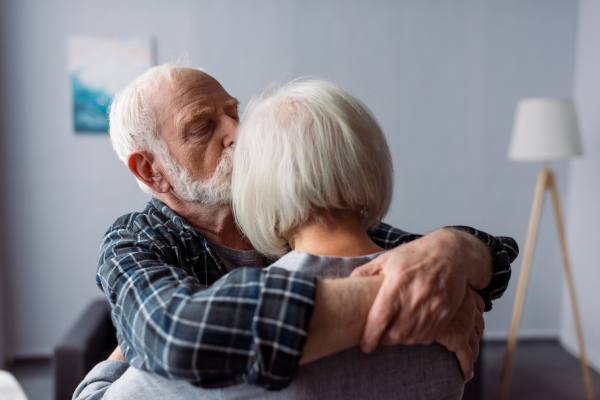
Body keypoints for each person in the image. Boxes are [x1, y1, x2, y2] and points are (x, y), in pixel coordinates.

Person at [86, 62, 516, 393]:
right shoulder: (136, 242)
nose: (237, 132)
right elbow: (176, 335)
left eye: (235, 113)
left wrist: (455, 250)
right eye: (203, 127)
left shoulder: (298, 213)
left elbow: (480, 265)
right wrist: (399, 296)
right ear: (151, 170)